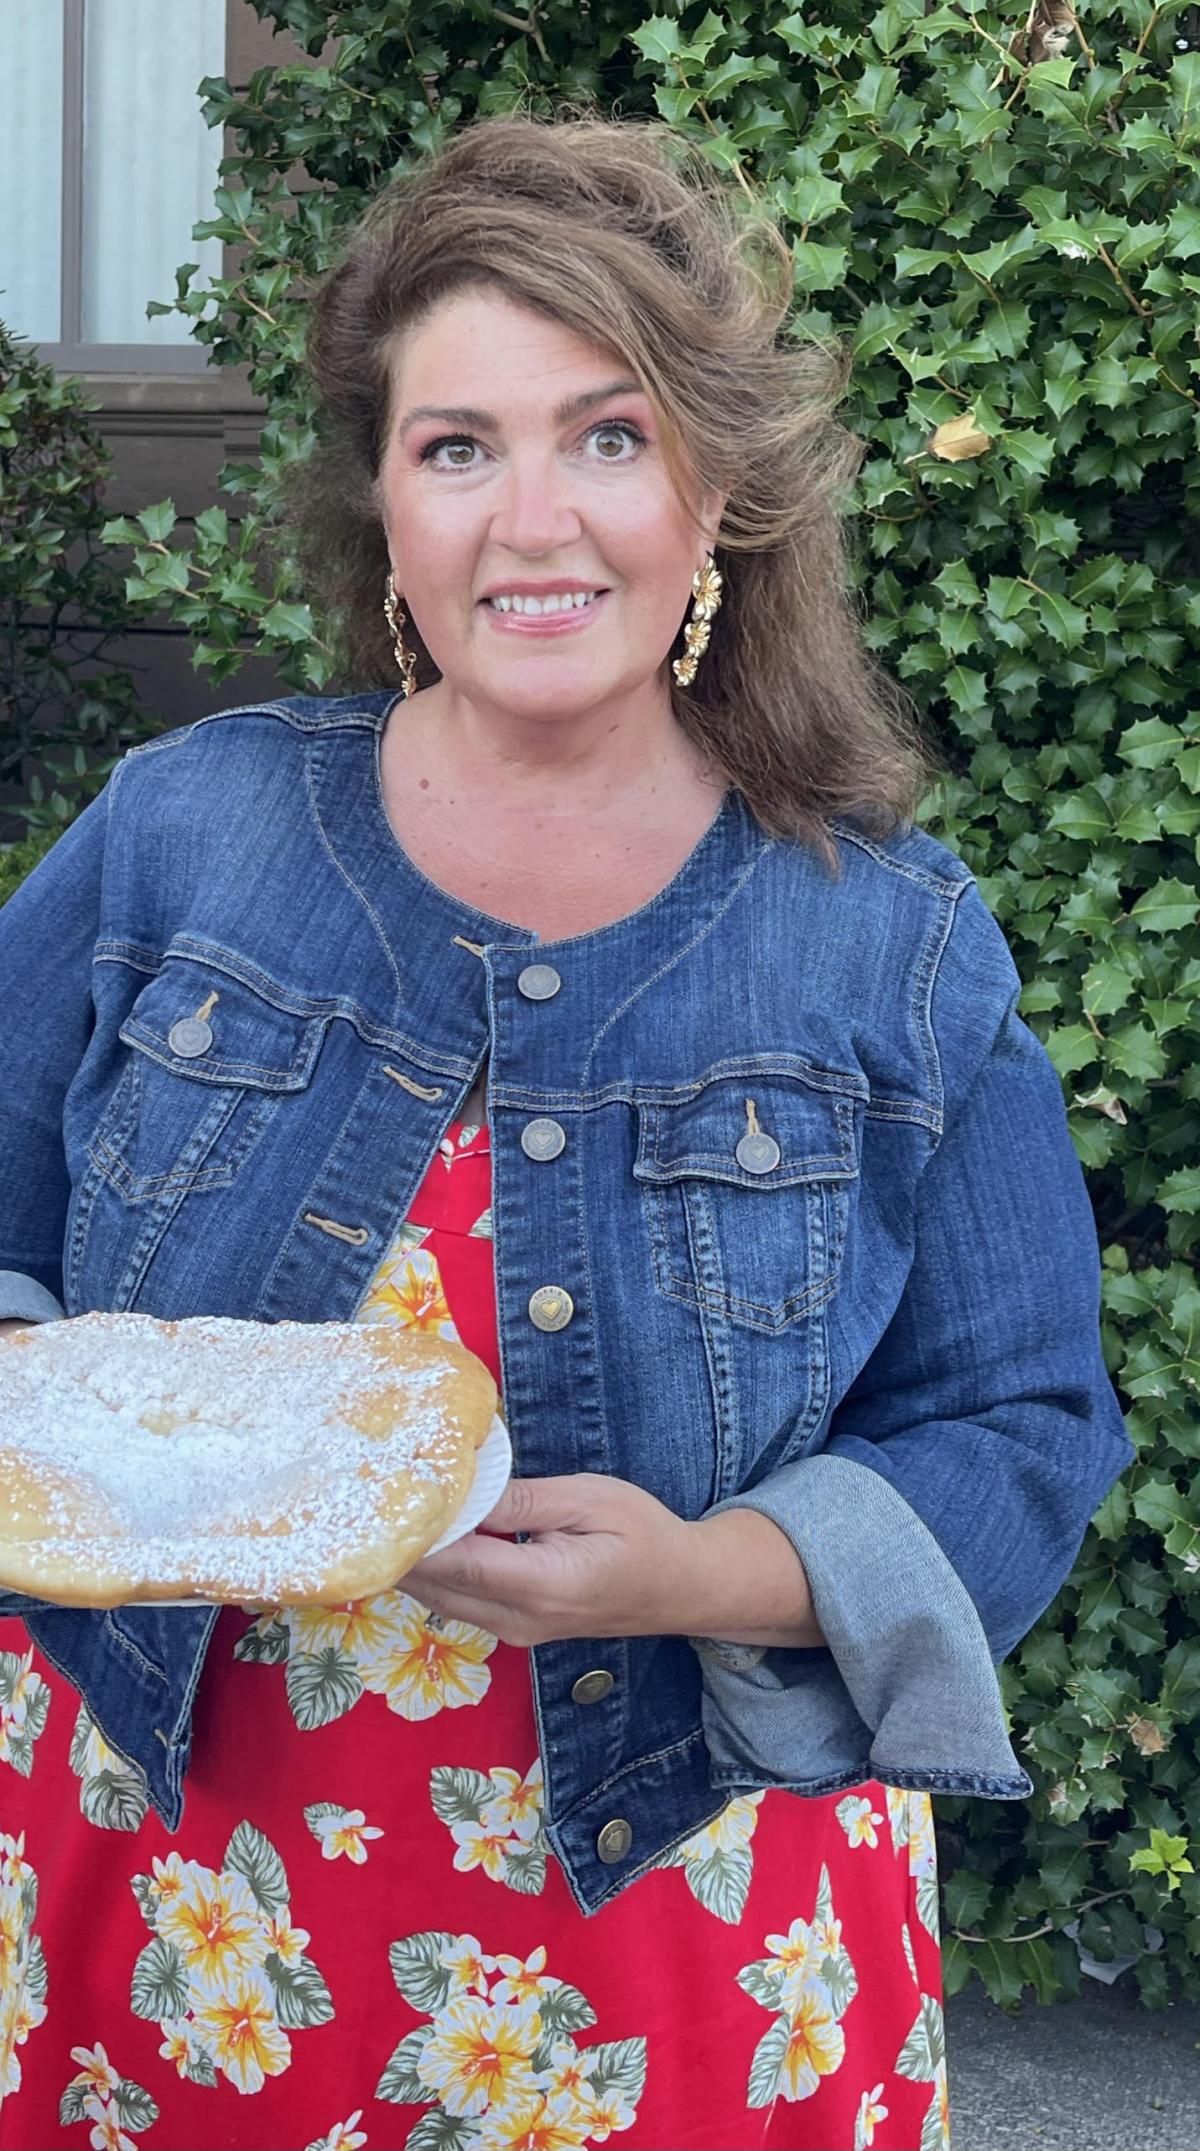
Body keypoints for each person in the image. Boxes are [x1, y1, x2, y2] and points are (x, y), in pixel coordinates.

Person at [0, 111, 1130, 2151]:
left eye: (608, 436)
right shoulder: (181, 834)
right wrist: (62, 1428)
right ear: (385, 507)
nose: (535, 520)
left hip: (685, 1948)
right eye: (460, 446)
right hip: (173, 1916)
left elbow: (1025, 1428)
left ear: (721, 497)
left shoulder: (887, 947)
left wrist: (703, 1565)